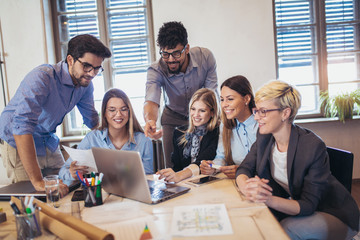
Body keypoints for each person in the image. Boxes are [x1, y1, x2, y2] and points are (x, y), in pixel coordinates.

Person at [235, 80, 359, 239]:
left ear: (285, 113)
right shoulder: (264, 136)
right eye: (256, 110)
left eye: (263, 111)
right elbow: (244, 168)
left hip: (333, 213)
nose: (257, 117)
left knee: (284, 229)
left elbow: (308, 205)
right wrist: (247, 188)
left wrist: (266, 199)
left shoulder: (312, 146)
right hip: (298, 206)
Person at [0, 34, 111, 194]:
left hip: (47, 139)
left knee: (67, 188)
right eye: (87, 66)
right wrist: (38, 181)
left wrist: (114, 143)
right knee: (35, 196)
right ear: (71, 60)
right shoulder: (42, 77)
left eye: (97, 68)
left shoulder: (85, 84)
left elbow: (92, 121)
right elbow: (22, 126)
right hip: (17, 140)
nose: (92, 73)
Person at [143, 21, 218, 168]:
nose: (171, 60)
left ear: (187, 48)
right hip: (173, 117)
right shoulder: (156, 70)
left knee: (205, 163)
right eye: (165, 54)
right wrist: (150, 120)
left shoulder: (205, 57)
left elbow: (212, 95)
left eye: (176, 53)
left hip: (202, 115)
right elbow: (151, 100)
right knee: (172, 168)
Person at [59, 88, 154, 180]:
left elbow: (148, 177)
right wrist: (71, 174)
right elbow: (63, 171)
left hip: (133, 193)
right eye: (112, 110)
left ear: (129, 112)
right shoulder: (92, 138)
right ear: (104, 113)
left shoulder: (144, 140)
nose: (118, 114)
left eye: (124, 109)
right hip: (100, 193)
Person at [200, 75, 258, 179]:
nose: (224, 105)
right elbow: (221, 157)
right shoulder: (225, 126)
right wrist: (213, 167)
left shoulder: (261, 123)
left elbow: (270, 165)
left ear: (246, 99)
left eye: (230, 99)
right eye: (222, 100)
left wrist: (242, 170)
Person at [157, 88, 220, 183]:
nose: (196, 115)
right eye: (193, 109)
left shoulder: (216, 133)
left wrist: (179, 175)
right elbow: (177, 167)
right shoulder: (179, 133)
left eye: (202, 111)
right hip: (185, 183)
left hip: (207, 183)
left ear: (212, 112)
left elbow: (203, 161)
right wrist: (168, 175)